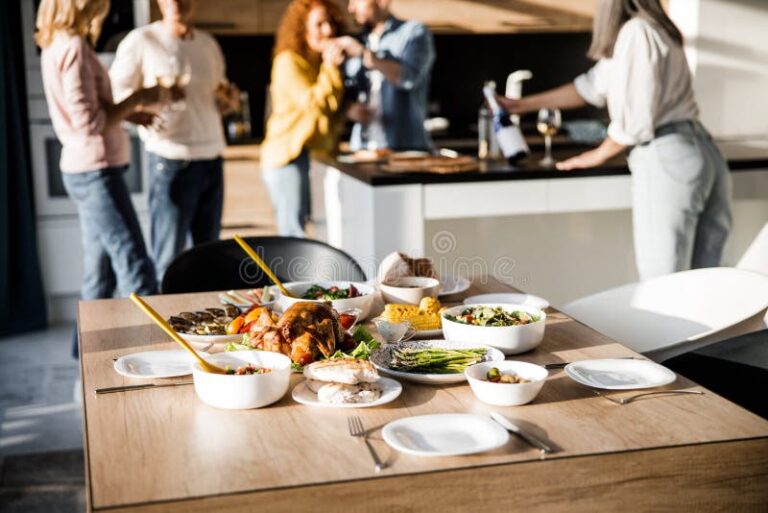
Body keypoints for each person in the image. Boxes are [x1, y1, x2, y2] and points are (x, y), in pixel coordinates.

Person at [498, 0, 732, 280]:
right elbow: (590, 87)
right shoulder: (657, 28)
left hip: (667, 155)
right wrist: (521, 105)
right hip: (702, 151)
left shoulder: (636, 32)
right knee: (704, 282)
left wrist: (598, 153)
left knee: (664, 284)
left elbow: (635, 122)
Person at [36, 0, 166, 317]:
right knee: (135, 265)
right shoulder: (75, 47)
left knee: (100, 272)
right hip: (96, 173)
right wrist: (139, 97)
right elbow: (90, 123)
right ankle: (153, 353)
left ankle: (80, 356)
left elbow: (92, 112)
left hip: (83, 170)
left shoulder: (56, 44)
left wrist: (131, 115)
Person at [110, 0, 240, 284]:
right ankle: (163, 325)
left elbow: (216, 98)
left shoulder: (208, 44)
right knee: (168, 259)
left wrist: (226, 102)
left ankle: (202, 325)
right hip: (170, 161)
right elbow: (114, 100)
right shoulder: (142, 40)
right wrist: (141, 115)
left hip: (212, 157)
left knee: (208, 257)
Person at [260, 0, 347, 237]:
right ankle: (291, 277)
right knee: (294, 233)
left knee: (319, 231)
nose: (328, 30)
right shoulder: (287, 61)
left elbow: (331, 106)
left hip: (314, 156)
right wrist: (331, 67)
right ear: (302, 28)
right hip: (287, 157)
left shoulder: (318, 63)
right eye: (319, 24)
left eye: (330, 22)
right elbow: (315, 104)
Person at [331, 0, 435, 151]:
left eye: (356, 1)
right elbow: (343, 91)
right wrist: (348, 109)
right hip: (363, 148)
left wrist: (365, 55)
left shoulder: (413, 33)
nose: (351, 8)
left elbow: (409, 78)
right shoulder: (358, 40)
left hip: (404, 149)